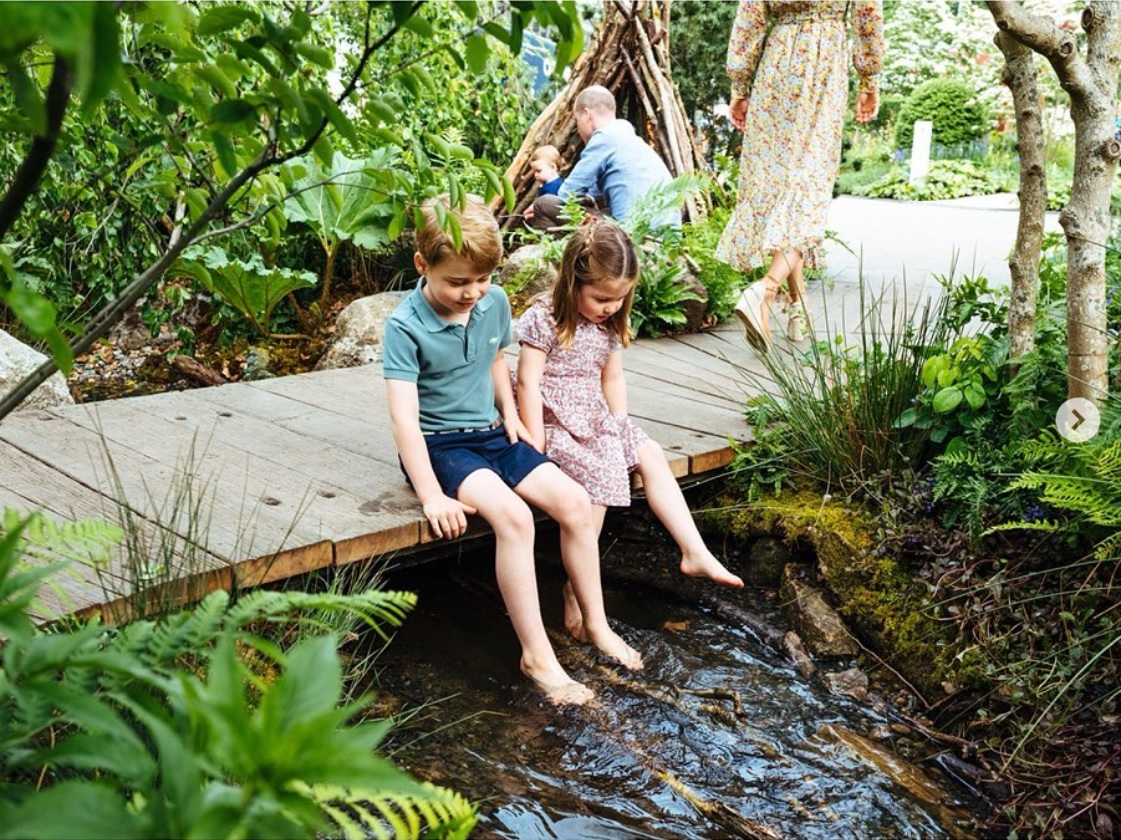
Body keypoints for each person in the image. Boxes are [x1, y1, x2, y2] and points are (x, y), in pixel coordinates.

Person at [383, 194, 643, 707]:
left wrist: (516, 417)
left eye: (481, 280)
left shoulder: (493, 302)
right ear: (422, 265)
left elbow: (497, 362)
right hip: (440, 448)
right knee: (515, 519)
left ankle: (595, 622)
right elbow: (403, 419)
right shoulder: (404, 326)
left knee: (572, 501)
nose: (472, 293)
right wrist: (433, 495)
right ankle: (537, 656)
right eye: (457, 282)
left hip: (494, 433)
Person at [516, 220, 743, 640]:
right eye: (602, 298)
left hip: (596, 415)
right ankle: (576, 590)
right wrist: (536, 438)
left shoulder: (607, 324)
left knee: (650, 454)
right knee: (603, 475)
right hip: (555, 419)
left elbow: (612, 379)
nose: (610, 307)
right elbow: (528, 381)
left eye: (620, 299)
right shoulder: (544, 319)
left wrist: (619, 424)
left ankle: (694, 550)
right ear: (572, 282)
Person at [717, 1, 884, 352]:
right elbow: (868, 16)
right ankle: (765, 291)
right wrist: (869, 77)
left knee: (782, 187)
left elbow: (750, 16)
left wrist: (740, 85)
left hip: (777, 64)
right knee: (809, 189)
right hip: (824, 63)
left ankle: (799, 306)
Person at [526, 85, 679, 230]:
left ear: (587, 115)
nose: (578, 130)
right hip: (663, 237)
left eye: (577, 122)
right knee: (604, 210)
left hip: (634, 236)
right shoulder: (625, 137)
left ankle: (564, 255)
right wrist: (589, 199)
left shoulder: (604, 138)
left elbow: (568, 193)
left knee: (543, 204)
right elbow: (593, 193)